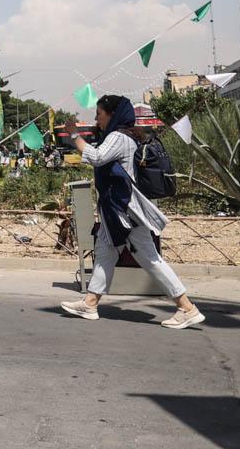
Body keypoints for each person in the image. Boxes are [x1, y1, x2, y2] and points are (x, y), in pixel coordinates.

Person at [61, 95, 203, 329]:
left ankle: (186, 307)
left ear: (112, 114)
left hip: (125, 211)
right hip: (116, 210)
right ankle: (90, 302)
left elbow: (96, 158)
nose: (96, 118)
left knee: (150, 259)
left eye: (100, 113)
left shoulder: (118, 137)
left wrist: (74, 135)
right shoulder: (121, 136)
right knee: (105, 251)